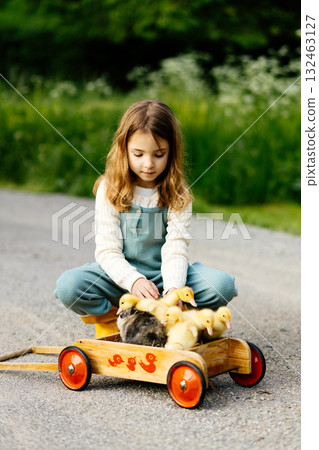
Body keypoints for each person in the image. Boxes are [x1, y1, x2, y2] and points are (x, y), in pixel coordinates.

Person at [54, 100, 238, 321]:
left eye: (159, 154)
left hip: (164, 278)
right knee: (69, 286)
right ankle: (119, 319)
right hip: (119, 279)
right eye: (138, 154)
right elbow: (107, 251)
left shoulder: (179, 193)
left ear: (171, 152)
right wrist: (134, 281)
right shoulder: (109, 188)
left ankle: (179, 319)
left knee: (222, 286)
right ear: (124, 150)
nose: (149, 164)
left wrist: (173, 290)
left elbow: (176, 248)